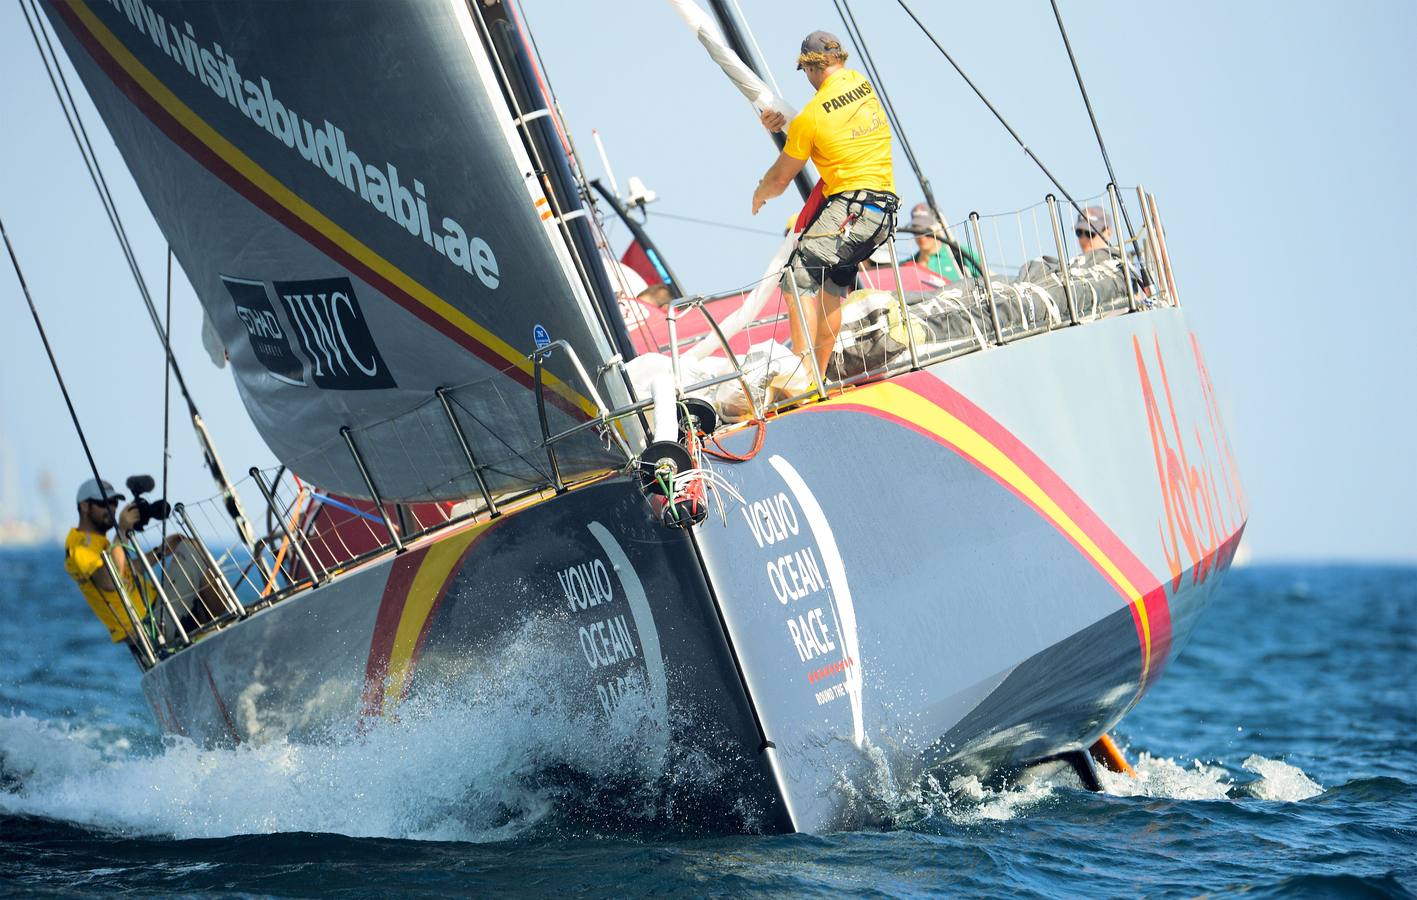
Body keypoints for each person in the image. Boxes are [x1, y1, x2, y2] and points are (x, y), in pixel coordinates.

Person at [751, 30, 897, 388]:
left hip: (853, 209)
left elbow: (781, 179)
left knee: (797, 277)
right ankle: (819, 378)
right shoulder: (862, 85)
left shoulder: (811, 118)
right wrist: (783, 123)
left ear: (810, 68)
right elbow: (838, 128)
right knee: (833, 287)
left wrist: (759, 193)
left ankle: (801, 380)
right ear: (840, 60)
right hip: (884, 212)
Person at [64, 477, 183, 646]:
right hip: (148, 625)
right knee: (192, 550)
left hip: (157, 607)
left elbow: (127, 569)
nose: (111, 508)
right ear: (84, 506)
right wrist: (122, 530)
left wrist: (160, 551)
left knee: (185, 546)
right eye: (103, 503)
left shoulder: (99, 541)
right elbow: (110, 580)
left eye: (114, 503)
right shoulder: (79, 547)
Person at [903, 203, 982, 282]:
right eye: (916, 231)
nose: (922, 236)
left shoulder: (960, 253)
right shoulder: (908, 266)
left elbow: (990, 281)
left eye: (926, 231)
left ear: (938, 227)